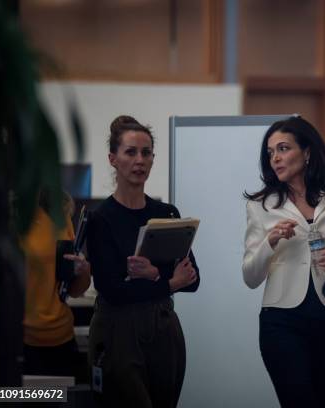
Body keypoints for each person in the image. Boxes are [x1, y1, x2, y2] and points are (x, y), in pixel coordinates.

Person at [242, 116, 325, 408]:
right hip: (282, 323)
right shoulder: (261, 206)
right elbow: (250, 276)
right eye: (270, 153)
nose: (276, 158)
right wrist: (270, 242)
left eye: (283, 148)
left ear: (307, 152)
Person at [86, 115, 200, 408]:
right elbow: (112, 289)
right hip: (118, 331)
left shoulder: (167, 214)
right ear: (113, 158)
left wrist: (152, 277)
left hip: (164, 327)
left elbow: (192, 279)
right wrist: (166, 280)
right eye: (130, 152)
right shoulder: (101, 219)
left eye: (146, 153)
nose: (140, 160)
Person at [22, 189, 91, 377]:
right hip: (21, 340)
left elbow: (74, 290)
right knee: (18, 399)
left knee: (60, 399)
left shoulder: (61, 214)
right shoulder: (12, 216)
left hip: (61, 336)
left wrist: (84, 271)